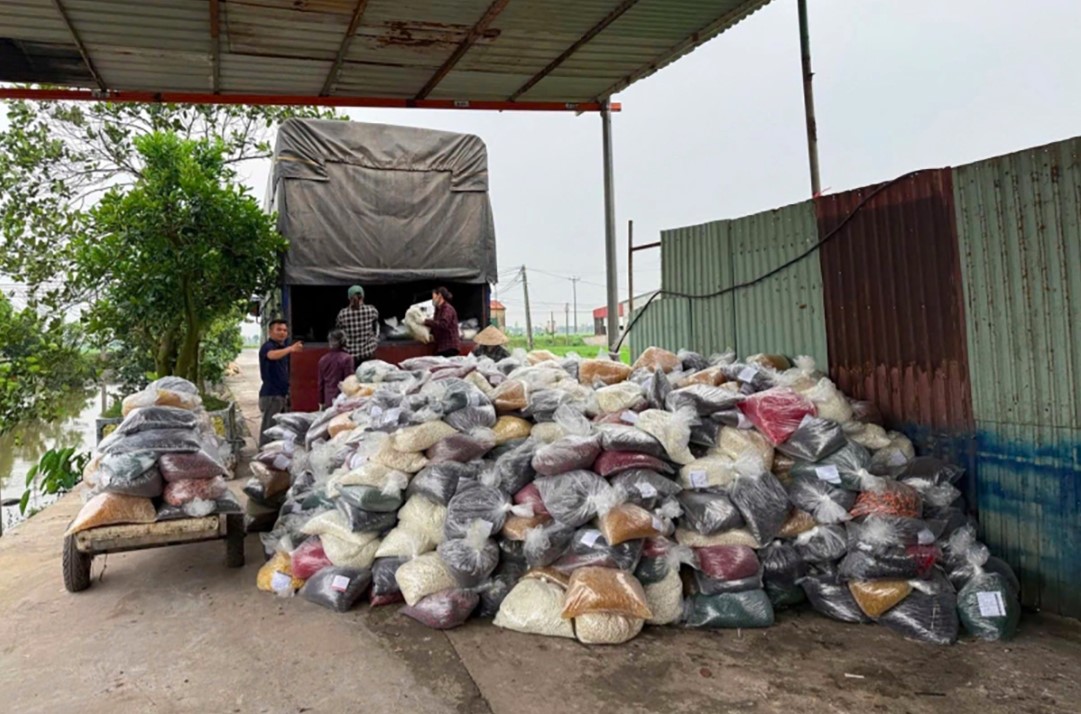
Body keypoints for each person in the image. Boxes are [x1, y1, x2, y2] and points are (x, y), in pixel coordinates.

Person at [258, 319, 302, 446]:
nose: (282, 333)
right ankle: (263, 453)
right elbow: (271, 355)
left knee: (279, 428)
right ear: (270, 332)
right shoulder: (268, 347)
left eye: (285, 330)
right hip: (271, 394)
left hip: (280, 395)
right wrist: (291, 349)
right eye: (279, 330)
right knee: (269, 428)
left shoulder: (282, 348)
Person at [336, 285, 380, 369]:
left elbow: (339, 330)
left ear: (349, 298)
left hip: (350, 356)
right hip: (368, 354)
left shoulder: (342, 314)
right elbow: (376, 325)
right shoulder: (371, 310)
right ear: (363, 296)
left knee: (351, 380)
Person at [317, 329, 355, 409]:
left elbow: (320, 384)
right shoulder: (347, 359)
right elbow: (349, 382)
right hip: (343, 401)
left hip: (328, 401)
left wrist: (321, 402)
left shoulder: (323, 360)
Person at [425, 286, 460, 358]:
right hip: (442, 347)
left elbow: (443, 324)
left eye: (433, 297)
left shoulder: (447, 309)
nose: (433, 300)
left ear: (439, 296)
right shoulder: (438, 310)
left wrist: (425, 321)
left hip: (449, 347)